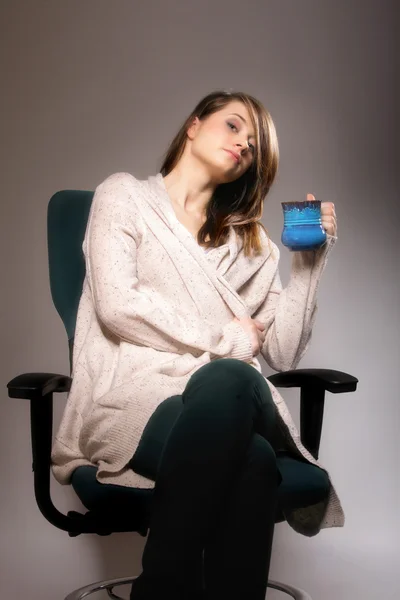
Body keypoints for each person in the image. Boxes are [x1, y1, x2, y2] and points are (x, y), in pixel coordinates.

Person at [52, 90, 341, 600]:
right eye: (233, 126)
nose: (243, 143)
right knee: (250, 455)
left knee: (230, 380)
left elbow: (283, 352)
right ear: (192, 125)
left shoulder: (249, 244)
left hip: (220, 405)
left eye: (253, 144)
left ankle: (161, 584)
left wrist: (309, 267)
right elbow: (117, 306)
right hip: (132, 400)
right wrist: (226, 337)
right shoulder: (124, 196)